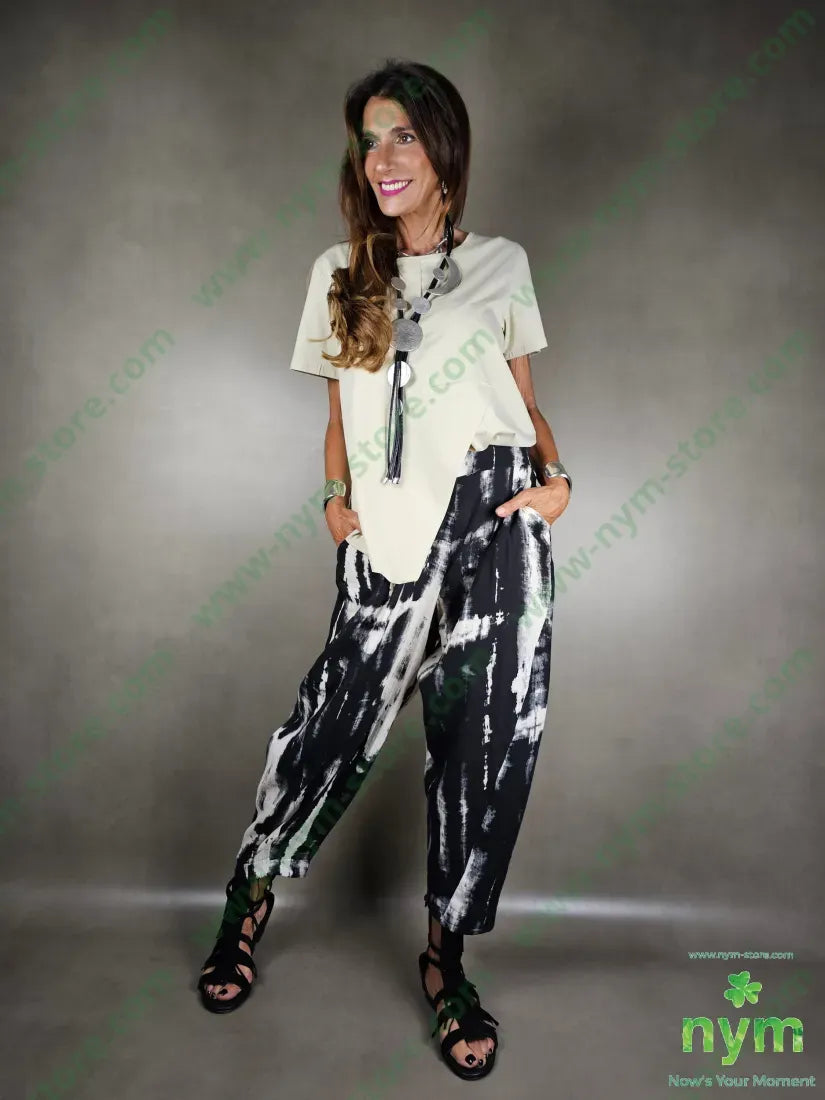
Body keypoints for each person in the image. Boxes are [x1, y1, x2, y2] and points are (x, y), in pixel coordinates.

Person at [196, 58, 572, 1083]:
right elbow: (337, 418)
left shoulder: (501, 263)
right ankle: (248, 896)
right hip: (389, 529)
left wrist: (558, 482)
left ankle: (446, 959)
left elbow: (523, 401)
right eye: (369, 141)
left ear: (445, 146)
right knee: (332, 722)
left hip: (497, 517)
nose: (382, 158)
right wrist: (334, 501)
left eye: (402, 135)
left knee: (486, 740)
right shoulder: (339, 270)